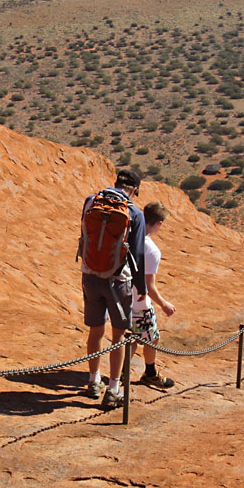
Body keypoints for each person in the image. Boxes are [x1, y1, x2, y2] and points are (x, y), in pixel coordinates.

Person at [79, 168, 146, 409]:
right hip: (119, 281)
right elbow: (137, 255)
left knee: (95, 331)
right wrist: (142, 290)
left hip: (90, 276)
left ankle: (93, 380)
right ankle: (114, 389)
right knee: (119, 336)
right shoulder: (134, 213)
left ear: (115, 182)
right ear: (134, 190)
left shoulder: (90, 202)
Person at [130, 201, 177, 389]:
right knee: (152, 337)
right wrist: (163, 304)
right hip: (140, 303)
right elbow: (149, 285)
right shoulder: (151, 249)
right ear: (158, 223)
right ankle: (150, 373)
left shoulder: (129, 237)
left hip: (123, 299)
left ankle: (122, 373)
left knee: (130, 337)